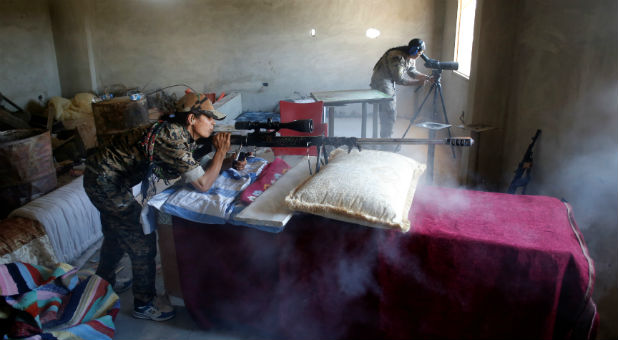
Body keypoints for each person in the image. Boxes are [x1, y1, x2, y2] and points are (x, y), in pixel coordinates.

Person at [83, 92, 238, 321]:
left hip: (109, 177)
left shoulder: (178, 133)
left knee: (116, 233)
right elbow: (203, 184)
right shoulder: (172, 137)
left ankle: (103, 282)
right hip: (105, 181)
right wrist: (221, 152)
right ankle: (143, 304)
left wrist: (228, 161)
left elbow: (197, 171)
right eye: (209, 117)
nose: (214, 123)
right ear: (192, 119)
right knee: (141, 241)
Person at [370, 38, 433, 138]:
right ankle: (386, 140)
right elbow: (400, 80)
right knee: (390, 111)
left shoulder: (411, 57)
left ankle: (385, 137)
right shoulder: (397, 57)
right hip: (381, 81)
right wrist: (418, 83)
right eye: (420, 53)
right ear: (415, 51)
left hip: (389, 81)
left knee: (388, 110)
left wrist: (427, 77)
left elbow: (412, 72)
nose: (419, 56)